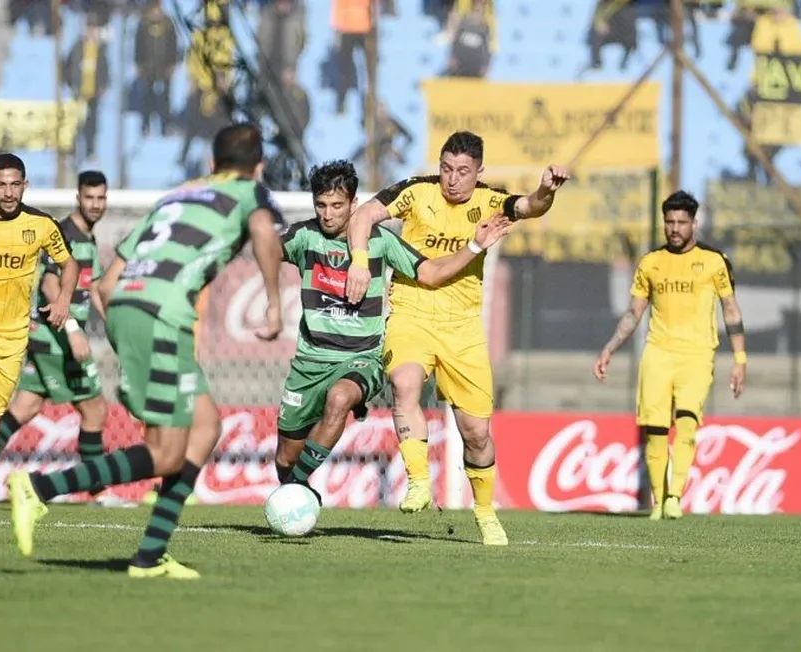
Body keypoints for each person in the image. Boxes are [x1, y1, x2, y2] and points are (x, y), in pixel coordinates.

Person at [7, 124, 286, 579]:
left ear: (211, 164)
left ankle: (150, 556)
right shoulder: (249, 193)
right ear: (258, 167)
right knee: (166, 453)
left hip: (130, 308)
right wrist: (274, 303)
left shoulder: (176, 197)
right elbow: (263, 231)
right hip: (163, 315)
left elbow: (107, 283)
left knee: (205, 428)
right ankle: (40, 488)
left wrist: (127, 337)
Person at [345, 130, 569, 545]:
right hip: (411, 311)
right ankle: (418, 481)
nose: (452, 179)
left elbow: (530, 206)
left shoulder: (490, 201)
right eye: (446, 168)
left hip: (462, 326)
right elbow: (362, 216)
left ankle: (484, 512)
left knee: (477, 434)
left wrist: (546, 190)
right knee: (404, 384)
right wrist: (360, 261)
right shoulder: (416, 192)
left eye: (463, 171)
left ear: (479, 172)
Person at [274, 160, 510, 497]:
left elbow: (430, 273)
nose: (328, 214)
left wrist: (473, 246)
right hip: (309, 362)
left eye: (337, 205)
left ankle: (296, 490)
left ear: (354, 204)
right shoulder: (304, 237)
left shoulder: (380, 241)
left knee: (340, 398)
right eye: (321, 205)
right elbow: (266, 249)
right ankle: (295, 489)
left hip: (360, 359)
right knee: (285, 458)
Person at [593, 190, 747, 521]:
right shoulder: (650, 263)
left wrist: (740, 360)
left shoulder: (714, 261)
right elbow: (633, 314)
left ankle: (675, 495)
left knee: (688, 422)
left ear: (694, 224)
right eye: (669, 222)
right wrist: (609, 348)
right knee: (656, 428)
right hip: (658, 353)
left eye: (681, 222)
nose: (674, 228)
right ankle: (658, 501)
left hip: (697, 354)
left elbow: (731, 310)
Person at [0, 171, 132, 507]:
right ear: (78, 198)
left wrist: (117, 330)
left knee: (24, 408)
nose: (95, 204)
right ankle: (98, 491)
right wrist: (72, 330)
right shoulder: (66, 234)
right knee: (95, 409)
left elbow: (95, 289)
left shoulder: (88, 238)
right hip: (56, 338)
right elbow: (49, 283)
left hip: (48, 339)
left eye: (101, 198)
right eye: (89, 198)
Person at [0, 154, 79, 512]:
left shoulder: (40, 225)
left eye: (15, 184)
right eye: (1, 185)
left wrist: (64, 300)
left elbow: (69, 263)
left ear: (25, 185)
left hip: (12, 335)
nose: (9, 192)